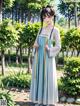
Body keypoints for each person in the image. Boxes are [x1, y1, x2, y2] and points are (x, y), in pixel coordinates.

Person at [29, 5, 61, 106]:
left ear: (52, 16)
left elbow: (59, 46)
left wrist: (50, 49)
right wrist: (35, 45)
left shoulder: (55, 30)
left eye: (47, 16)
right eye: (43, 17)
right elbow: (35, 43)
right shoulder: (41, 29)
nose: (45, 18)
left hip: (48, 58)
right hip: (39, 57)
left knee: (48, 77)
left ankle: (48, 101)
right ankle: (40, 100)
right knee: (39, 77)